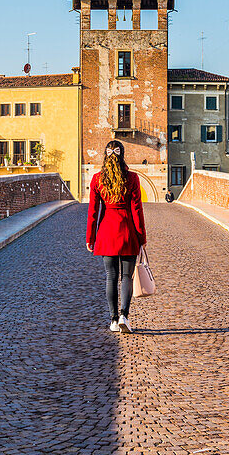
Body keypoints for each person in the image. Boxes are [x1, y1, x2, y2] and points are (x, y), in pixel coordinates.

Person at [86, 140, 147, 333]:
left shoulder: (97, 179)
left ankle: (113, 320)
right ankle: (124, 316)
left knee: (110, 277)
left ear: (106, 155)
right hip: (128, 231)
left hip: (106, 232)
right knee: (126, 276)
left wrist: (90, 237)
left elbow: (93, 212)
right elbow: (137, 210)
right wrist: (142, 237)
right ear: (122, 155)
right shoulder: (132, 178)